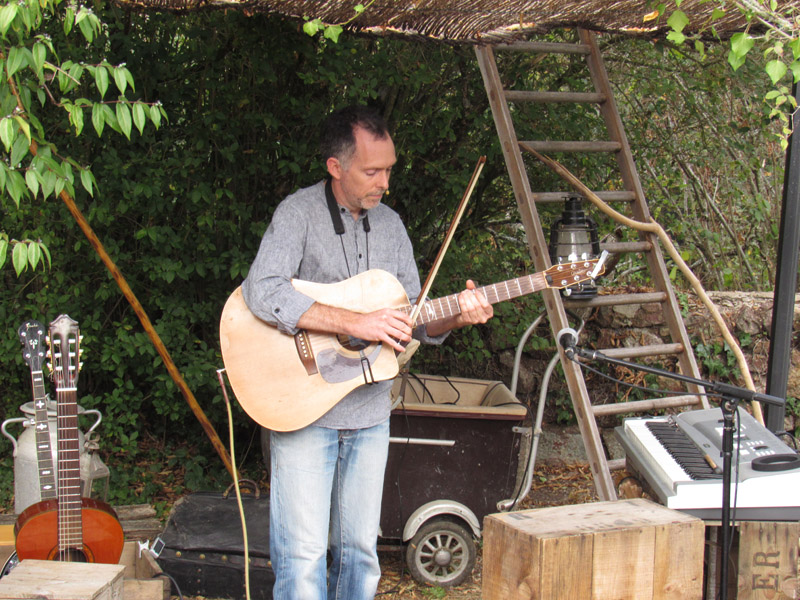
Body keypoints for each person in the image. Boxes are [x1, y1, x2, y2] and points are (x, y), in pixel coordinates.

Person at [241, 105, 493, 600]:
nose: (384, 182)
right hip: (302, 412)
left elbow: (415, 316)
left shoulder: (392, 226)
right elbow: (262, 289)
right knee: (302, 555)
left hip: (371, 411)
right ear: (336, 167)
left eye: (389, 170)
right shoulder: (298, 214)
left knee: (360, 553)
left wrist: (457, 315)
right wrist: (352, 321)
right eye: (372, 171)